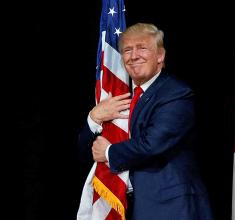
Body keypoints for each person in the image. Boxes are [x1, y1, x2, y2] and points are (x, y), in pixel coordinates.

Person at [78, 23, 213, 220]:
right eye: (127, 50)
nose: (134, 56)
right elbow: (83, 153)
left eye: (142, 48)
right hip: (125, 206)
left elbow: (153, 143)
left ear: (160, 56)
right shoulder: (120, 97)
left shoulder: (176, 93)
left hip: (169, 209)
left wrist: (108, 152)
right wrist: (94, 117)